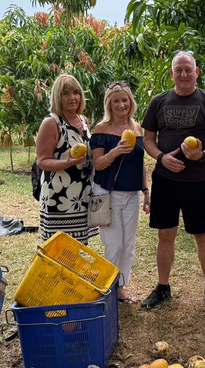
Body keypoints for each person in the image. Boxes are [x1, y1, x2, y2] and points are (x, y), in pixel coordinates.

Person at [140, 50, 205, 310]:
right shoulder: (158, 101)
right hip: (165, 180)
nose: (184, 74)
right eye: (179, 69)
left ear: (197, 72)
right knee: (166, 234)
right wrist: (161, 157)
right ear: (172, 74)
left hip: (197, 181)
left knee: (203, 235)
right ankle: (163, 287)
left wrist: (202, 154)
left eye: (189, 69)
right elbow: (148, 139)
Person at [90, 81, 150, 304]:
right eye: (116, 101)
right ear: (109, 104)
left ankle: (121, 286)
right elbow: (98, 164)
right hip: (108, 193)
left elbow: (140, 163)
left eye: (125, 100)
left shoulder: (137, 129)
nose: (121, 104)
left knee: (128, 244)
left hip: (132, 194)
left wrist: (145, 190)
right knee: (113, 244)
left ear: (131, 102)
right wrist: (115, 151)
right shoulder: (101, 129)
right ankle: (108, 287)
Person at [33, 73, 97, 244]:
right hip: (59, 198)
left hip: (81, 198)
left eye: (76, 92)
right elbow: (42, 160)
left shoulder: (83, 120)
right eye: (65, 93)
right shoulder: (52, 123)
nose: (72, 98)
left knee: (79, 246)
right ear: (57, 96)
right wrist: (67, 163)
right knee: (59, 249)